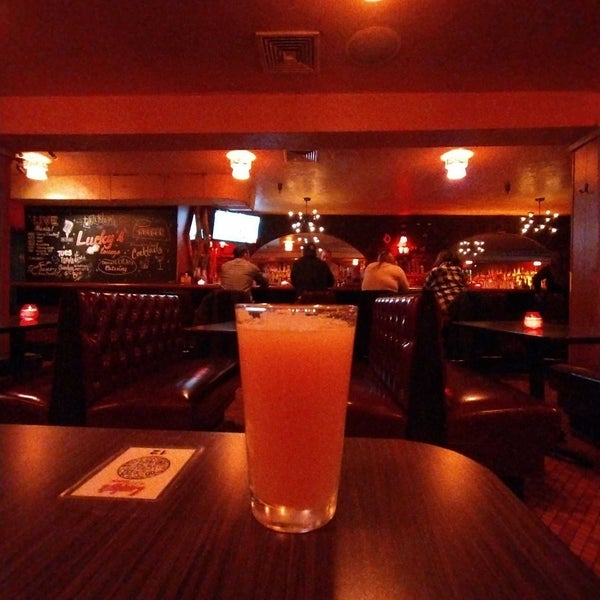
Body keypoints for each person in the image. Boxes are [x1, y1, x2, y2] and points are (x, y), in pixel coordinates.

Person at [423, 250, 467, 320]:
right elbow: (465, 286)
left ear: (439, 259)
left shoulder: (435, 271)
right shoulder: (459, 270)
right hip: (463, 305)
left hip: (447, 306)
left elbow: (425, 288)